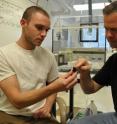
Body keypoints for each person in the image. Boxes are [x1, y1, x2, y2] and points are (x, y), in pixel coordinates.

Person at [0, 6, 78, 124]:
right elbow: (17, 101)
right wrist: (54, 87)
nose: (43, 34)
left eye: (47, 30)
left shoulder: (48, 56)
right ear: (23, 23)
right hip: (12, 116)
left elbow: (52, 83)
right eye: (39, 27)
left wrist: (48, 105)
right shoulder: (4, 54)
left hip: (40, 116)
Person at [69, 1, 117, 124]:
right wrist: (85, 73)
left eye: (115, 30)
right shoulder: (114, 61)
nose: (108, 35)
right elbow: (90, 89)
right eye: (106, 29)